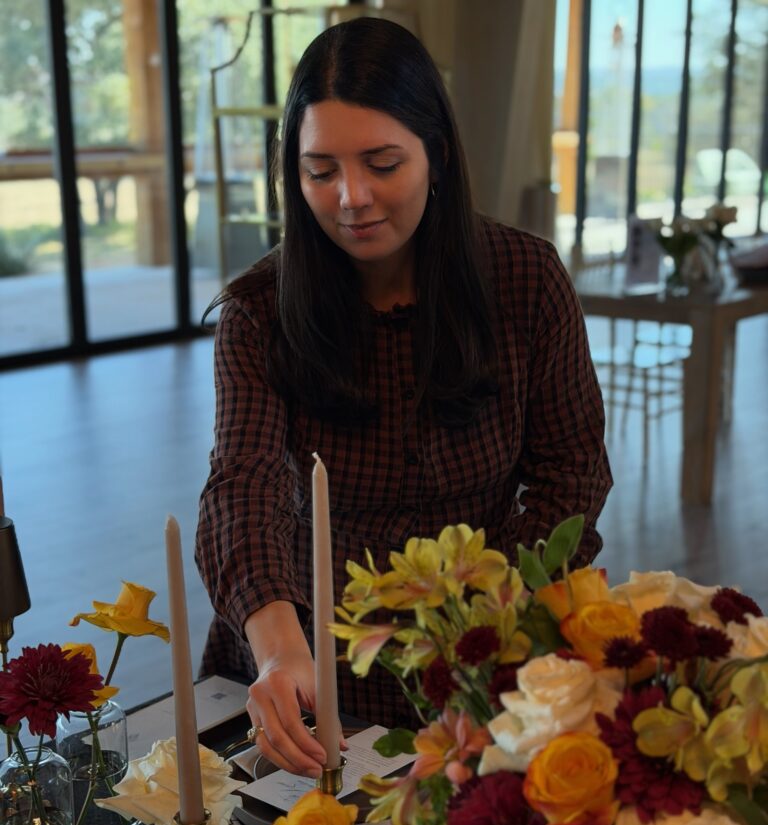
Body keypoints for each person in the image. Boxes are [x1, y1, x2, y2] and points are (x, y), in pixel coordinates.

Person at [195, 16, 612, 779]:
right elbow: (241, 485)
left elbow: (570, 479)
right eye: (320, 171)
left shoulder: (524, 281)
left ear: (438, 157)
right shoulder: (262, 309)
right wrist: (282, 647)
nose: (351, 198)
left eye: (382, 163)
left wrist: (491, 637)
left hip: (478, 651)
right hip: (310, 655)